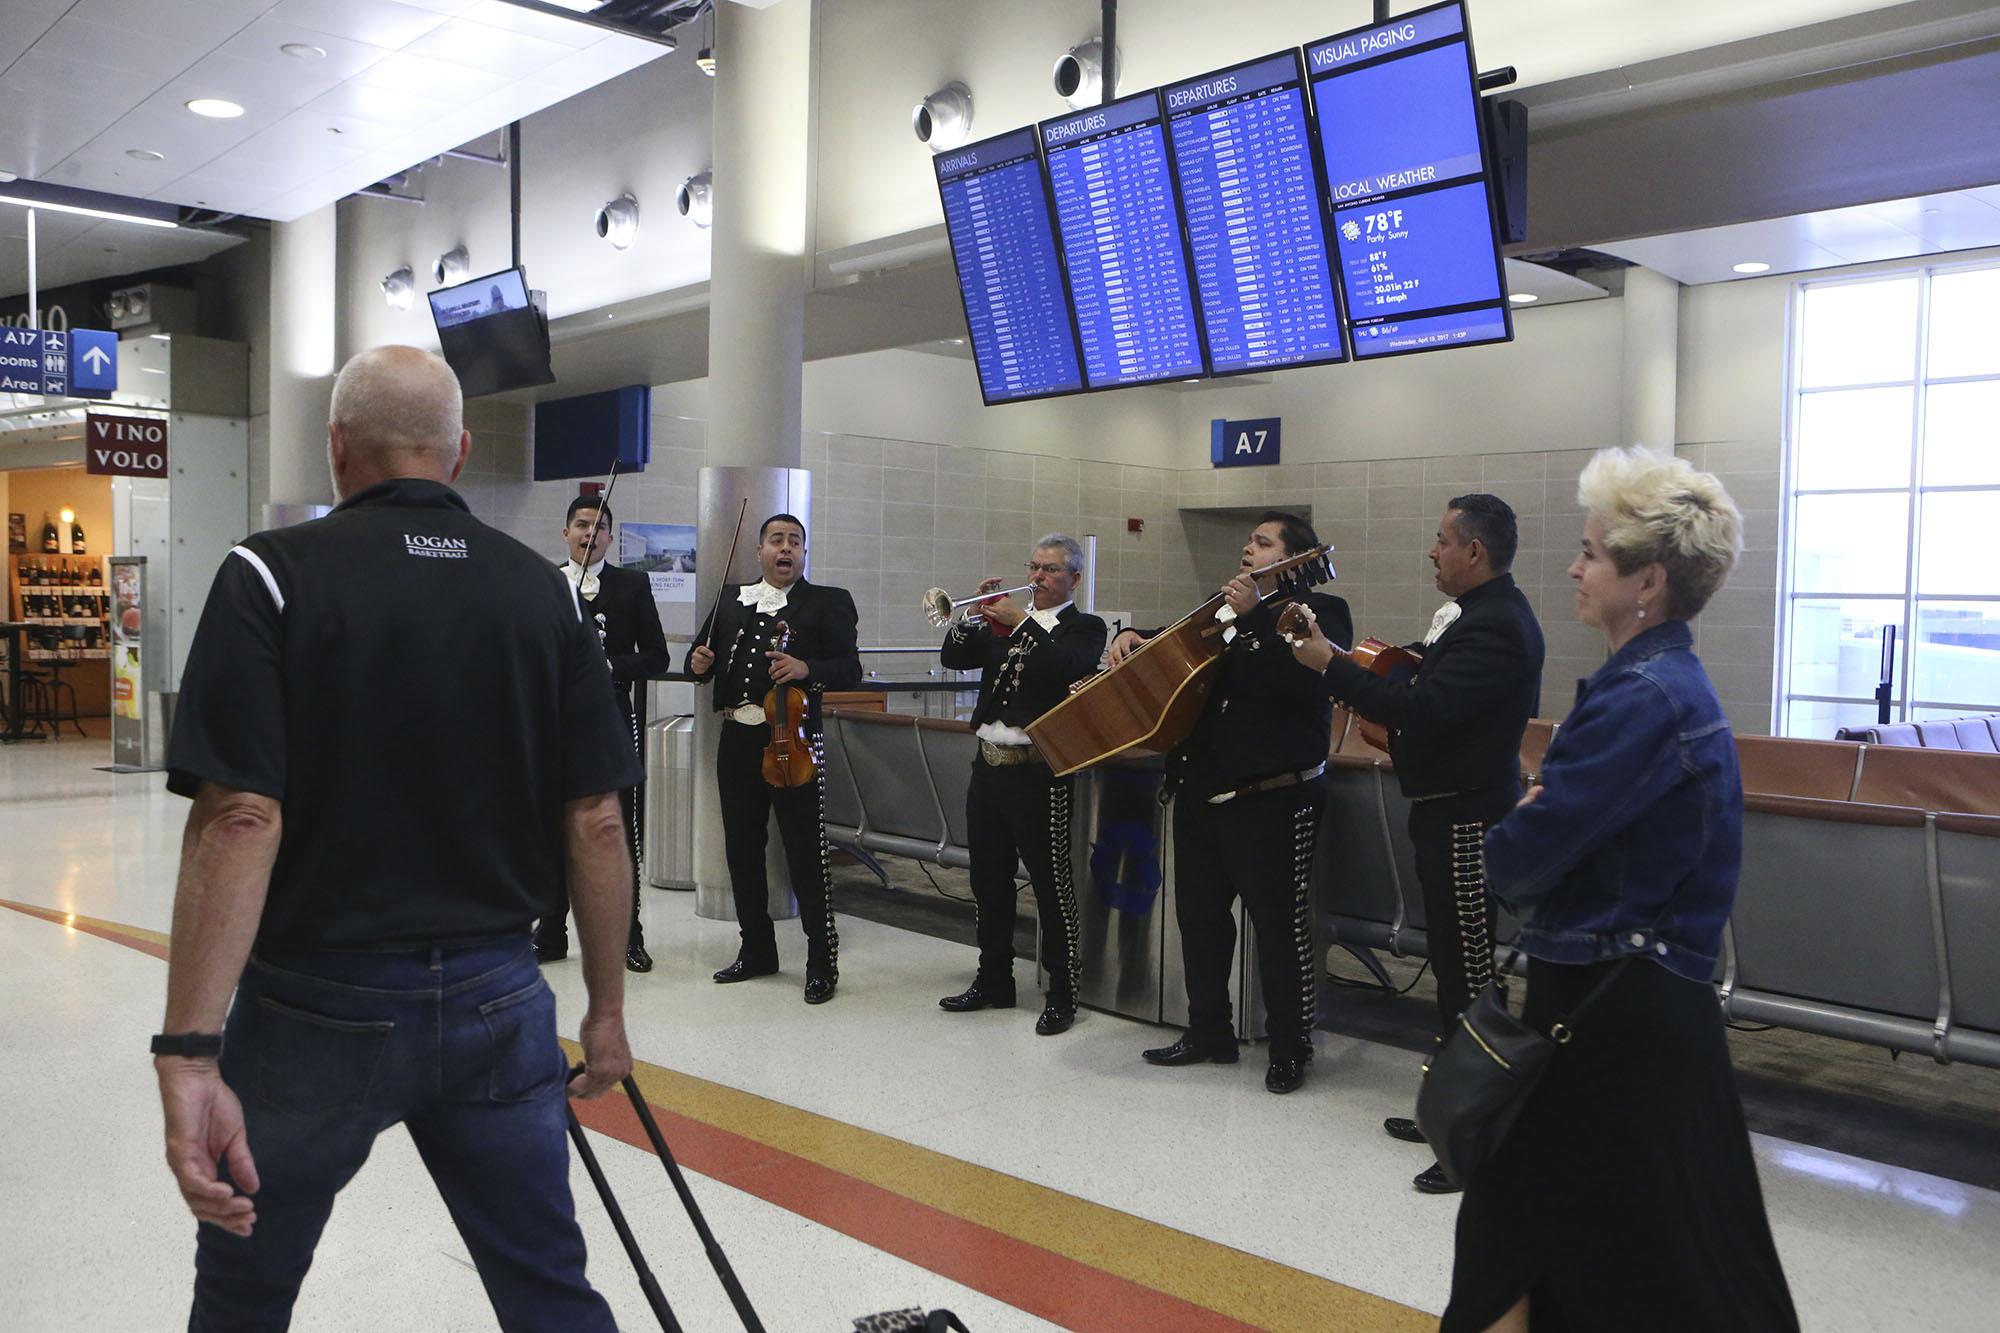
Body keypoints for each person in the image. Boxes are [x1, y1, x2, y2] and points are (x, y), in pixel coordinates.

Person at [154, 346, 637, 1331]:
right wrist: (605, 1009)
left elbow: (242, 815)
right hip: (501, 999)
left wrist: (190, 1052)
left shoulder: (269, 576)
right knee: (547, 1285)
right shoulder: (541, 592)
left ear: (336, 448)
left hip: (313, 1009)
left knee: (247, 1285)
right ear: (457, 452)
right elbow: (594, 816)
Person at [1442, 447, 1797, 1332]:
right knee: (1603, 1253)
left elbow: (1517, 862)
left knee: (1578, 1253)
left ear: (1649, 580)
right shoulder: (1653, 688)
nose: (1574, 564)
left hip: (1611, 1029)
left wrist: (1529, 812)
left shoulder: (1643, 699)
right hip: (1624, 1010)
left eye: (1594, 551)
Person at [1288, 493, 1544, 1193]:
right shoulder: (1474, 621)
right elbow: (1406, 671)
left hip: (1467, 819)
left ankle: (1475, 1135)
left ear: (1475, 551)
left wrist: (1325, 666)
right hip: (1446, 811)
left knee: (1467, 978)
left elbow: (1420, 710)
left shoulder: (1497, 628)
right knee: (1454, 970)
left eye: (1440, 540)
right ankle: (1448, 1107)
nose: (1432, 551)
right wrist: (1339, 653)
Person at [1109, 512, 1352, 1094]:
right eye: (1249, 540)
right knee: (1201, 922)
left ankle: (1291, 1048)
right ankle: (1208, 1030)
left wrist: (1253, 623)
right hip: (1203, 793)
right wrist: (1135, 638)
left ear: (1294, 558)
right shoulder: (1221, 610)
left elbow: (1298, 684)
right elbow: (1179, 652)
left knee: (1277, 928)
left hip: (1273, 798)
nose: (1248, 548)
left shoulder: (1318, 612)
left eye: (1263, 542)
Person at [686, 514, 861, 1004]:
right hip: (736, 741)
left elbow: (851, 670)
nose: (786, 548)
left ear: (804, 553)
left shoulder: (827, 601)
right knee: (742, 848)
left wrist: (807, 668)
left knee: (806, 852)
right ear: (760, 550)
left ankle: (821, 962)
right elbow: (698, 662)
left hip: (793, 742)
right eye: (777, 540)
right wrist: (698, 664)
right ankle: (756, 949)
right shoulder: (731, 599)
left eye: (796, 541)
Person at [936, 535, 1107, 1035]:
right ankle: (994, 979)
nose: (1036, 577)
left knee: (1051, 886)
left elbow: (1064, 667)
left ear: (1074, 578)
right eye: (1032, 567)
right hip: (988, 766)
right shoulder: (1005, 626)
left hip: (1041, 771)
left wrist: (1021, 622)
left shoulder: (1084, 627)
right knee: (988, 880)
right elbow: (954, 660)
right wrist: (970, 617)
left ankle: (1062, 993)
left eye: (1050, 570)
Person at [536, 494, 672, 972]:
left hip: (611, 724)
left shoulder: (632, 585)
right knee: (552, 832)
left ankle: (628, 936)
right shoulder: (545, 583)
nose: (589, 533)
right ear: (566, 533)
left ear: (611, 538)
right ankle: (550, 931)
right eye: (581, 525)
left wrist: (609, 664)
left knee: (619, 832)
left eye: (599, 526)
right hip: (551, 728)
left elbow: (657, 656)